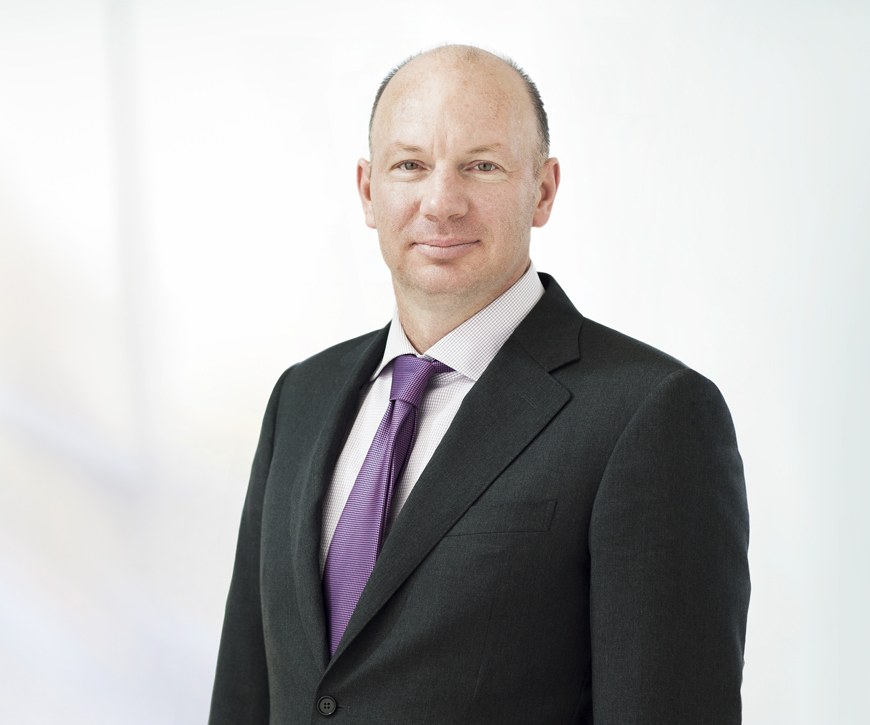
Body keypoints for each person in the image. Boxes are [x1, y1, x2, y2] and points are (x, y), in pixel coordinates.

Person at [208, 45, 750, 724]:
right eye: (410, 165)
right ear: (368, 190)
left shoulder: (651, 415)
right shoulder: (301, 398)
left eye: (482, 166)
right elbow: (247, 694)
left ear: (543, 190)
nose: (441, 203)